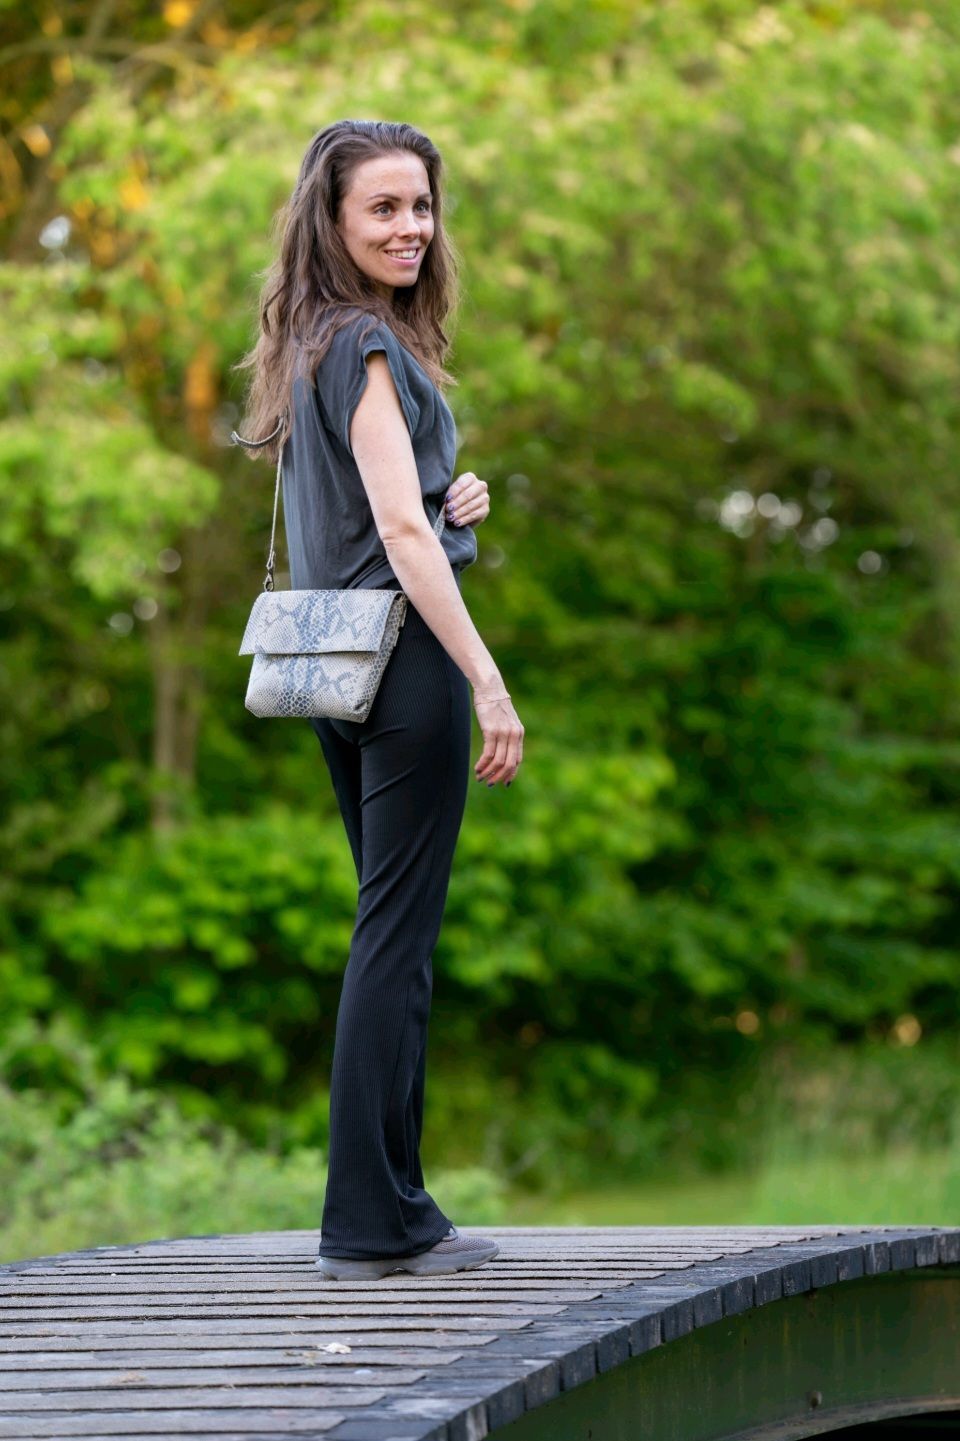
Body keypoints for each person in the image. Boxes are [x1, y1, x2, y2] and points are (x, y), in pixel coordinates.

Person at [232, 119, 525, 1281]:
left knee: (384, 934)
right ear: (334, 222)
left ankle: (393, 1206)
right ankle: (373, 1220)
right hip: (400, 660)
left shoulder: (314, 341)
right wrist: (485, 676)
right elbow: (396, 535)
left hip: (335, 667)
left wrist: (453, 504)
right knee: (396, 941)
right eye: (384, 210)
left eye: (423, 206)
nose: (411, 227)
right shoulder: (362, 343)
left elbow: (390, 510)